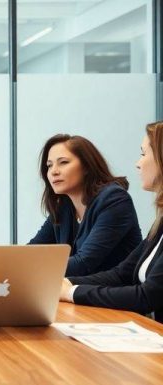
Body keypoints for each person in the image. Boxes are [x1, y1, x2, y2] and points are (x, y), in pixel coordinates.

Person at [59, 122, 163, 321]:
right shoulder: (160, 223)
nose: (138, 164)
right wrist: (65, 283)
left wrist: (71, 292)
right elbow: (121, 274)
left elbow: (148, 295)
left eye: (143, 154)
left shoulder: (114, 199)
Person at [29, 134, 141, 276]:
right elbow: (32, 251)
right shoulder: (63, 206)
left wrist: (30, 268)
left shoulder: (114, 200)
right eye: (49, 165)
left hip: (114, 294)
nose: (53, 171)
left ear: (87, 166)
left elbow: (84, 263)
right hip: (77, 292)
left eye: (63, 162)